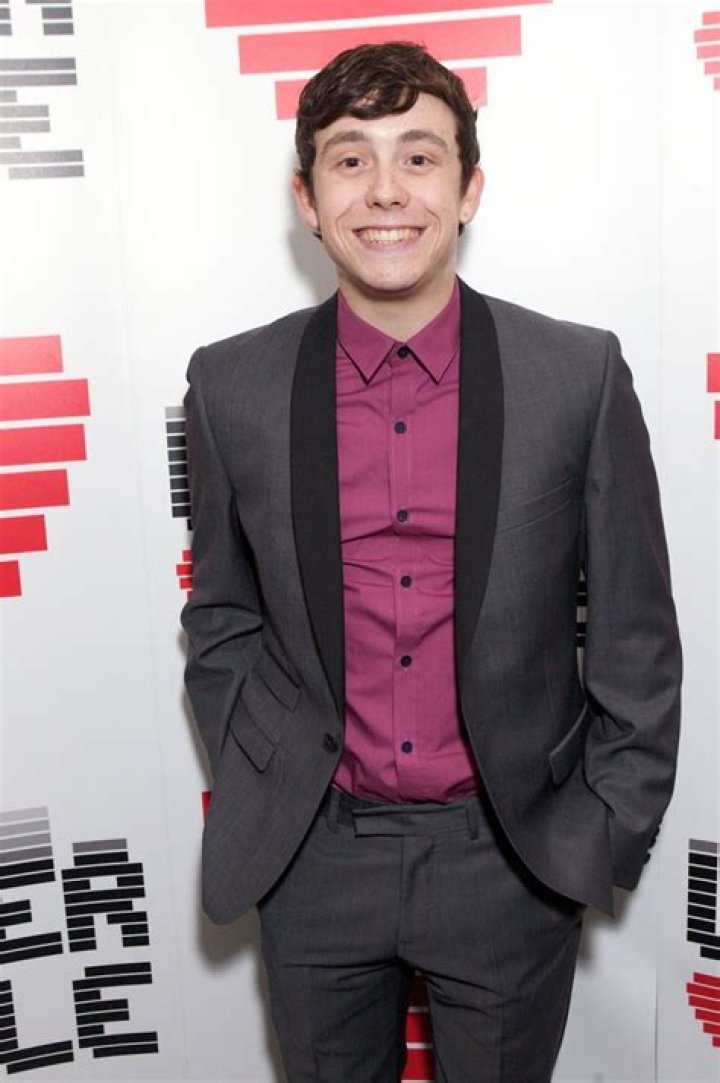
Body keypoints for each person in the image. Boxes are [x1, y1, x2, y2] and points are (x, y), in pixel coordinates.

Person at [181, 41, 682, 1083]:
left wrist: (601, 830)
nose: (385, 190)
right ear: (308, 201)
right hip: (314, 856)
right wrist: (265, 772)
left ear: (469, 190)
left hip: (508, 859)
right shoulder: (231, 385)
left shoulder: (575, 374)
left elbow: (635, 631)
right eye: (349, 160)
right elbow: (221, 614)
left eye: (418, 156)